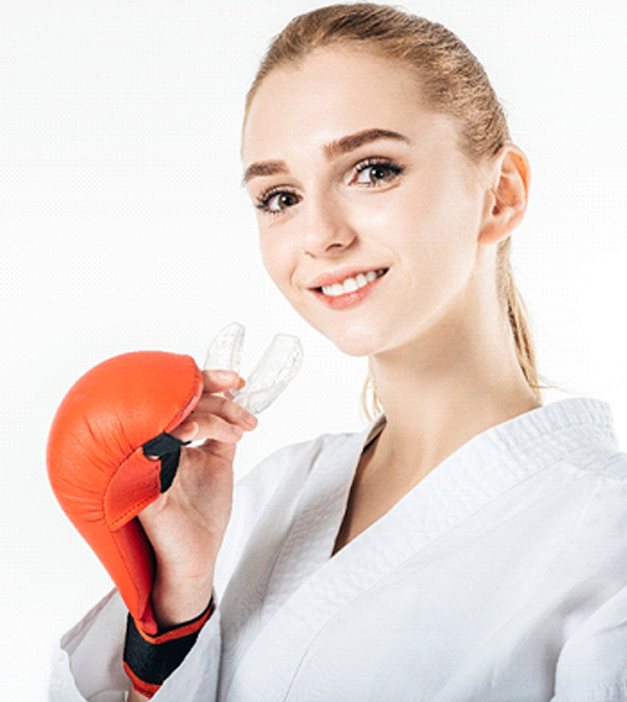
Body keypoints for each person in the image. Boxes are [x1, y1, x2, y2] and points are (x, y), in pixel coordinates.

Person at [49, 3, 627, 701]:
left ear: (498, 194)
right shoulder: (270, 498)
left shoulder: (605, 536)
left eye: (373, 169)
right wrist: (174, 609)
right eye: (280, 195)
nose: (318, 234)